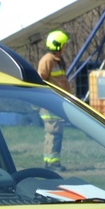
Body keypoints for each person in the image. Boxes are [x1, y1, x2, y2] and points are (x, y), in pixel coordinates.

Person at [36, 30, 70, 169]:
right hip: (50, 105)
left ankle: (51, 161)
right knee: (53, 134)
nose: (65, 48)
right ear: (58, 45)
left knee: (56, 133)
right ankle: (52, 163)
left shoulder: (57, 61)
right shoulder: (47, 60)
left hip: (56, 103)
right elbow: (40, 80)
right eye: (63, 45)